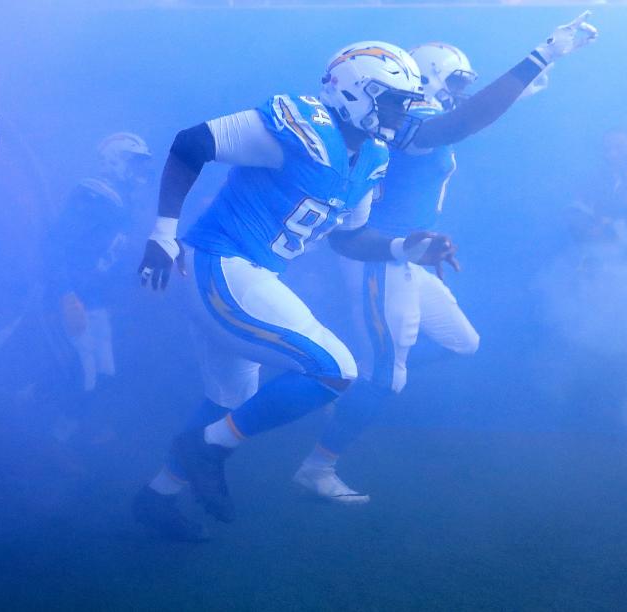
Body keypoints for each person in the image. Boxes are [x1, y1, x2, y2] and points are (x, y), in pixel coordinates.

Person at [131, 41, 459, 541]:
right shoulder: (298, 122)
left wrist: (402, 249)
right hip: (222, 262)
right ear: (357, 90)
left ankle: (156, 498)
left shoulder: (370, 155)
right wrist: (162, 232)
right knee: (335, 369)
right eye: (392, 99)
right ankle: (207, 449)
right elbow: (192, 143)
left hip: (250, 275)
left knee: (228, 398)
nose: (399, 111)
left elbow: (349, 239)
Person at [292, 12, 598, 504]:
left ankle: (353, 388)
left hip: (407, 255)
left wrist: (525, 84)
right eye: (453, 78)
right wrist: (539, 56)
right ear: (428, 75)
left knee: (462, 343)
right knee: (388, 378)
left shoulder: (420, 114)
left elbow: (469, 113)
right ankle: (318, 465)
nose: (459, 89)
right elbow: (463, 120)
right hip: (379, 255)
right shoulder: (408, 121)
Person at [47, 132, 152, 445]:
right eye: (136, 163)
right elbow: (55, 245)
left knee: (104, 371)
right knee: (82, 372)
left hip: (92, 298)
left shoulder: (121, 199)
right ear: (115, 159)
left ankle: (68, 436)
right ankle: (48, 442)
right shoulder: (94, 195)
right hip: (70, 296)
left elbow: (108, 256)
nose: (142, 172)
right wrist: (66, 295)